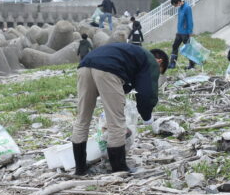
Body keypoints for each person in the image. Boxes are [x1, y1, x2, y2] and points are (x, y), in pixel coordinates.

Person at [72, 43, 169, 174]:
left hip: (84, 66)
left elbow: (126, 83)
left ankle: (80, 169)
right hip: (108, 70)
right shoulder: (150, 61)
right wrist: (147, 116)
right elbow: (147, 92)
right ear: (159, 61)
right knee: (116, 122)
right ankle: (119, 168)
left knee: (82, 118)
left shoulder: (131, 53)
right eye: (159, 71)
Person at [168, 0, 194, 69]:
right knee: (174, 46)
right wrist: (178, 31)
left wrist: (190, 32)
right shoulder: (179, 9)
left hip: (185, 33)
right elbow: (180, 21)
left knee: (188, 48)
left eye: (175, 5)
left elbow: (190, 20)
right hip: (179, 32)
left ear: (179, 2)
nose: (175, 6)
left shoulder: (187, 8)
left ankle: (191, 65)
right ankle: (172, 64)